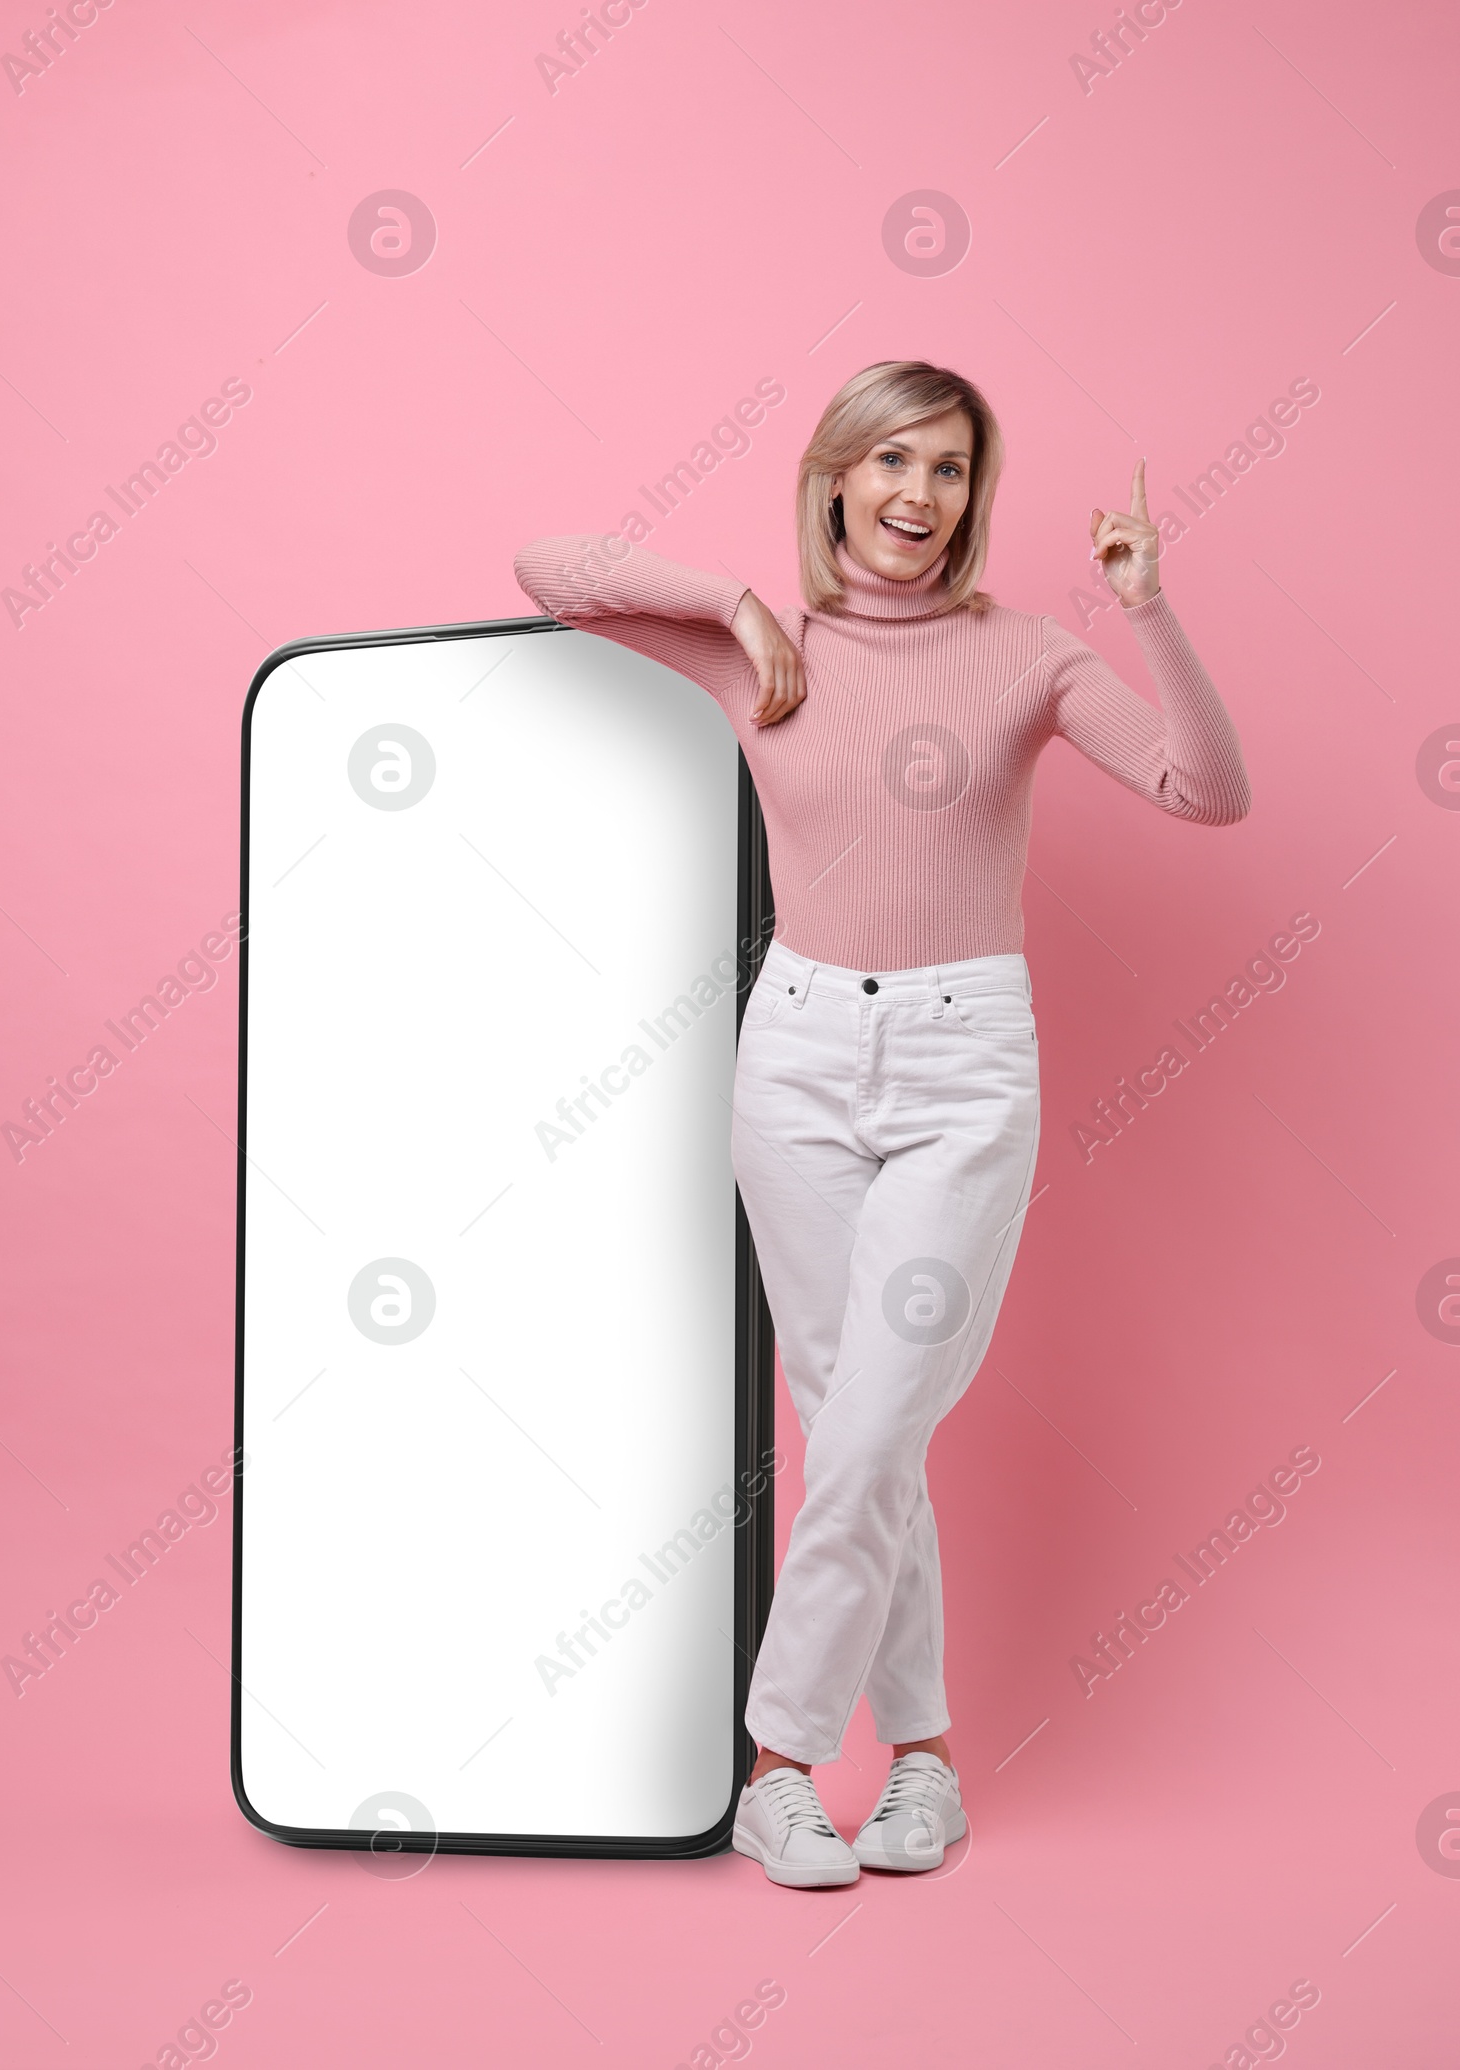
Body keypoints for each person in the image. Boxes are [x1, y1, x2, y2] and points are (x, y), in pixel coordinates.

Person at [513, 360, 1250, 1889]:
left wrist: (1150, 611)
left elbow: (1208, 791)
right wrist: (733, 600)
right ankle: (922, 1762)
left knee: (863, 1425)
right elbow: (548, 572)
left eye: (955, 469)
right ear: (838, 475)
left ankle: (775, 1764)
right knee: (861, 1418)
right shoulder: (756, 656)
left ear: (978, 499)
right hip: (790, 1053)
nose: (922, 495)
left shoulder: (1030, 655)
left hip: (964, 1065)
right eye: (894, 460)